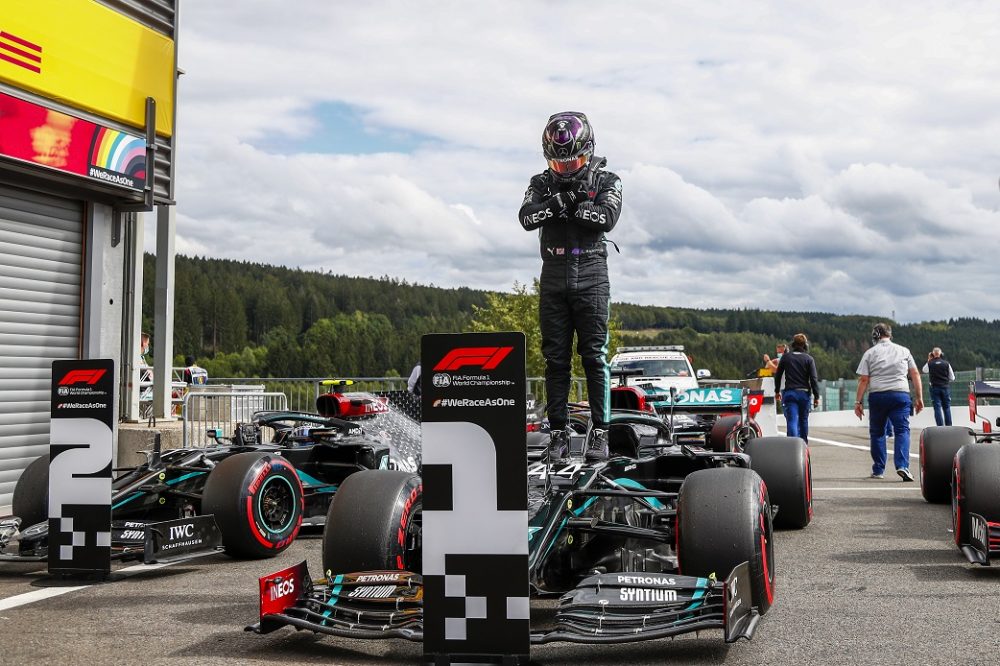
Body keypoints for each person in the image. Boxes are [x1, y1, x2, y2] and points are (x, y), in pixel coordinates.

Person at [518, 111, 623, 462]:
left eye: (572, 162)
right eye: (558, 163)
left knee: (594, 356)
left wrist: (568, 207)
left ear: (588, 150)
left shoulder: (608, 179)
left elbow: (606, 219)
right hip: (553, 275)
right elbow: (526, 218)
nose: (564, 169)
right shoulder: (540, 182)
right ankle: (558, 434)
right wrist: (563, 201)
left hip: (592, 273)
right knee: (555, 360)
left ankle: (601, 434)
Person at [854, 323, 924, 481]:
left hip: (878, 395)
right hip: (900, 394)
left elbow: (864, 379)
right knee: (902, 431)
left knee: (877, 432)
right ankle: (902, 466)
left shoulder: (870, 353)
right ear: (889, 335)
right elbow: (915, 374)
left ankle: (878, 470)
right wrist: (919, 397)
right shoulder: (904, 350)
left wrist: (858, 402)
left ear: (875, 336)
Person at [774, 334, 820, 443]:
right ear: (805, 345)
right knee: (803, 420)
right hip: (804, 394)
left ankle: (792, 445)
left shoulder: (786, 357)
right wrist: (816, 396)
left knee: (792, 420)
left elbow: (778, 375)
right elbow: (813, 379)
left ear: (793, 344)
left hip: (790, 393)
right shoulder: (809, 359)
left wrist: (777, 391)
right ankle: (803, 445)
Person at [922, 347, 955, 426]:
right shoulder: (946, 363)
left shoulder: (930, 363)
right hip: (945, 387)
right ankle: (949, 426)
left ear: (933, 354)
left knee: (937, 408)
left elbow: (924, 370)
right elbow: (952, 378)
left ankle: (940, 426)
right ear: (941, 354)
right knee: (946, 408)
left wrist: (929, 359)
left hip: (934, 387)